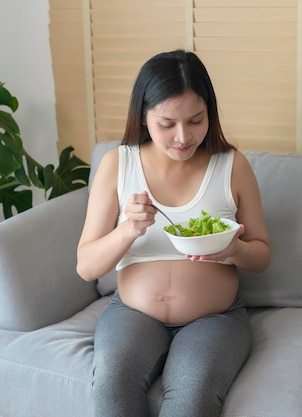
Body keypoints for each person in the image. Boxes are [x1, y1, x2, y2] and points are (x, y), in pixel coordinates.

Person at [76, 50, 271, 417]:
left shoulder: (232, 165)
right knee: (112, 388)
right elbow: (86, 266)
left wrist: (234, 250)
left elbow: (262, 254)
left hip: (215, 318)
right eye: (167, 123)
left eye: (196, 120)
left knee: (192, 398)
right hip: (132, 314)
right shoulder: (118, 164)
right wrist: (127, 230)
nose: (183, 137)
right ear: (144, 117)